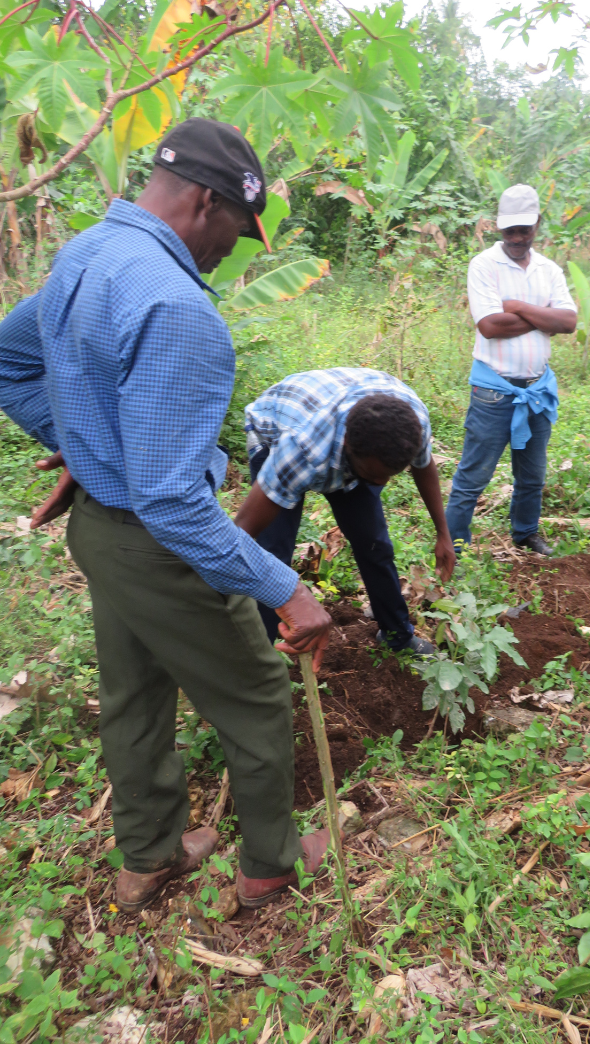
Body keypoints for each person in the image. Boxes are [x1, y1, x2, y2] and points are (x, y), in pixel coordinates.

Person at [0, 118, 334, 913]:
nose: (232, 250)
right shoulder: (180, 308)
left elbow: (9, 358)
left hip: (99, 532)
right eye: (235, 232)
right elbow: (173, 502)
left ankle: (148, 856)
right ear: (205, 202)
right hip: (154, 544)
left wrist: (82, 444)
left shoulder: (86, 252)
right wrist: (286, 588)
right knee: (255, 692)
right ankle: (271, 866)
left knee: (136, 691)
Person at [234, 368, 456, 657]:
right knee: (272, 552)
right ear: (349, 447)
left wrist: (443, 533)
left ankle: (397, 635)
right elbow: (243, 534)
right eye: (370, 475)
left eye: (389, 476)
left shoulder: (413, 424)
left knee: (374, 544)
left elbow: (423, 466)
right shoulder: (302, 452)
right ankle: (257, 656)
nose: (380, 486)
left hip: (341, 416)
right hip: (276, 423)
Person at [445, 184, 577, 555]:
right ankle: (454, 546)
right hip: (493, 390)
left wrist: (517, 305)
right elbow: (490, 326)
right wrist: (543, 317)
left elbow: (568, 322)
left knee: (532, 475)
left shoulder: (548, 270)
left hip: (536, 388)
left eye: (525, 229)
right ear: (498, 227)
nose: (518, 237)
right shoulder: (484, 265)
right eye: (510, 230)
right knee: (473, 476)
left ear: (537, 223)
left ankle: (526, 533)